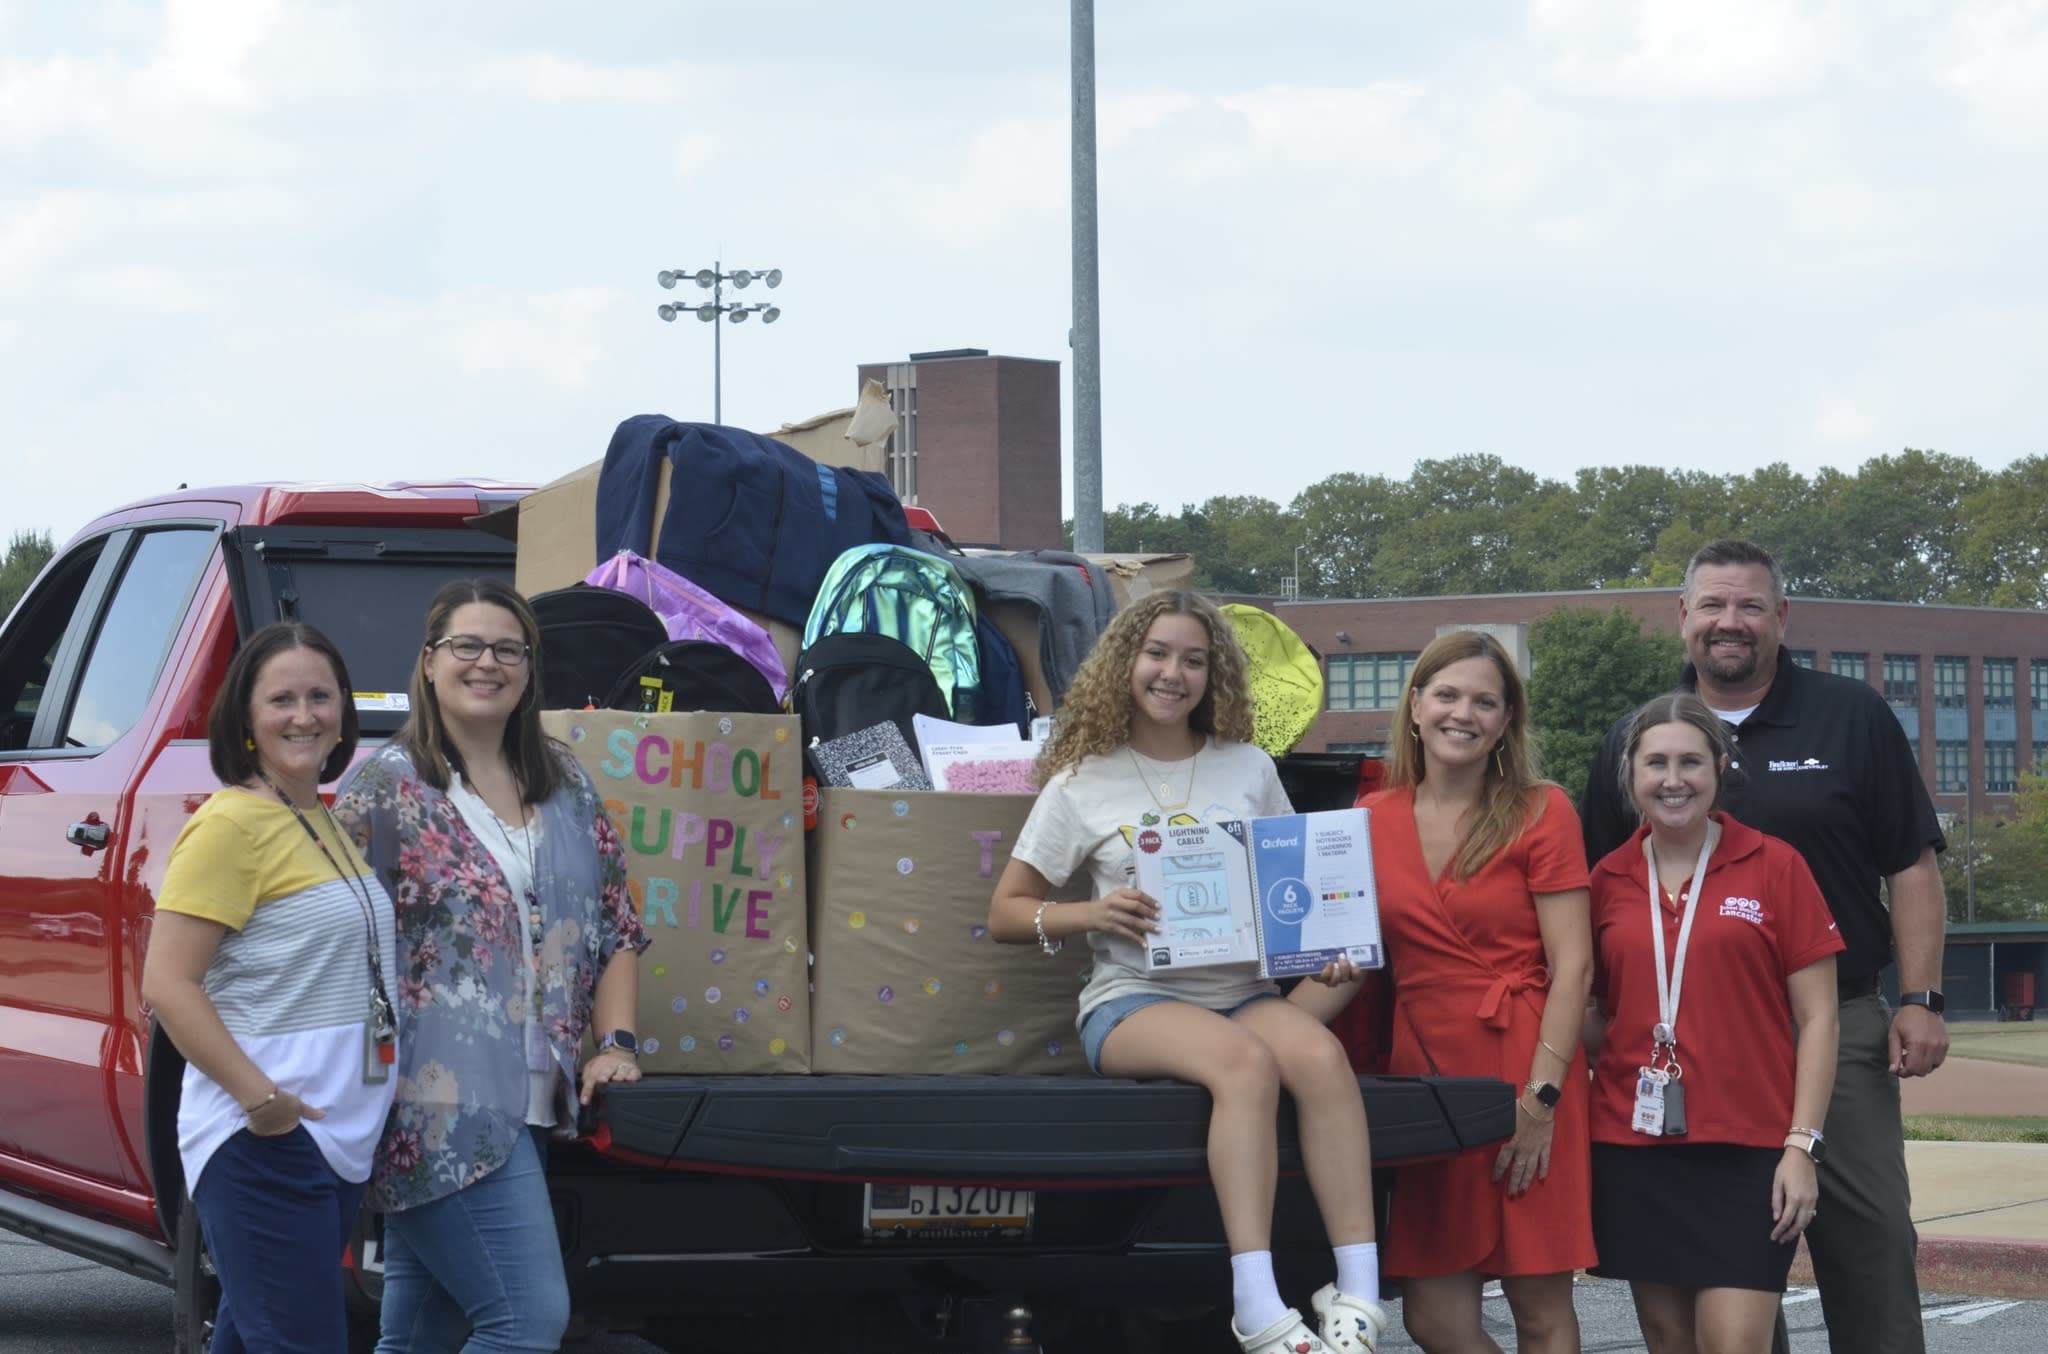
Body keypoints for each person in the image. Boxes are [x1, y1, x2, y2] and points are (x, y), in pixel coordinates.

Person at [989, 590, 1388, 1354]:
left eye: (1194, 660)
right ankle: (1257, 1303)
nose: (1174, 673)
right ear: (1125, 663)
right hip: (1132, 1001)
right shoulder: (1081, 779)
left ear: (1215, 676)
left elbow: (1291, 894)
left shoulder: (1248, 767)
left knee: (1320, 1057)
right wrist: (1092, 913)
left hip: (1243, 993)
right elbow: (1006, 911)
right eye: (1158, 654)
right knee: (1246, 1063)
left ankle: (1359, 1292)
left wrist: (1326, 953)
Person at [1579, 540, 1947, 1354]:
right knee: (1727, 1270)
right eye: (1713, 604)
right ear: (1683, 616)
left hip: (1832, 1017)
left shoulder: (1851, 714)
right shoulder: (1638, 735)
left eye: (1749, 605)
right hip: (1691, 1037)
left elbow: (1911, 863)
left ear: (1781, 617)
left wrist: (1921, 998)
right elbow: (1595, 894)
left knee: (1870, 1236)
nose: (1730, 622)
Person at [333, 578, 650, 1354]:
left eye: (509, 649)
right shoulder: (386, 791)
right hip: (432, 1108)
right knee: (526, 1320)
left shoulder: (566, 782)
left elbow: (616, 922)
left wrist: (616, 1043)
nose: (488, 663)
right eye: (467, 646)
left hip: (533, 1103)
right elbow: (339, 947)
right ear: (429, 662)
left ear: (530, 668)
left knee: (422, 1332)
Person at [1322, 630, 1595, 1354]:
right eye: (1447, 695)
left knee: (1538, 1305)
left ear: (1506, 721)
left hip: (1525, 1065)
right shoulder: (1368, 818)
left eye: (1485, 702)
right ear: (1415, 706)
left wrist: (1541, 1101)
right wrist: (1263, 1034)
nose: (1463, 714)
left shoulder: (1541, 809)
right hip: (1426, 1079)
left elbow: (1574, 967)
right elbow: (1345, 964)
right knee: (1434, 1318)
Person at [141, 621, 397, 1353]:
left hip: (330, 1137)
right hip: (266, 1142)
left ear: (344, 709)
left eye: (321, 696)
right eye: (281, 699)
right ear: (245, 718)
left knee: (258, 1337)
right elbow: (169, 982)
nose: (304, 715)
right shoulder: (230, 826)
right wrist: (262, 1103)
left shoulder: (318, 818)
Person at [1585, 693, 1841, 1354]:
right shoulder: (1605, 879)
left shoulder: (1775, 865)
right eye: (1656, 763)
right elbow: (1597, 1013)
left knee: (1733, 1342)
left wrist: (1801, 1146)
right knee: (1669, 1341)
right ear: (1630, 774)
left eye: (1691, 762)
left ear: (1720, 768)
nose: (1673, 780)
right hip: (1634, 1148)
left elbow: (1818, 1018)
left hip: (1749, 1148)